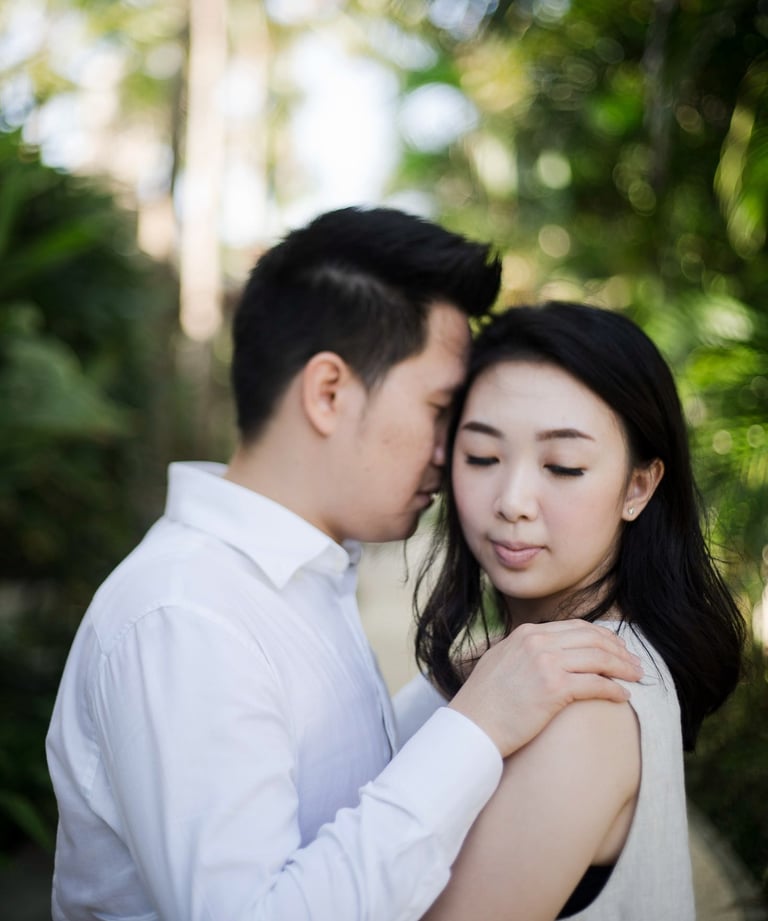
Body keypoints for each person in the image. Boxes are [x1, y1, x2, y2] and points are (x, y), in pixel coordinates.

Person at [46, 209, 642, 921]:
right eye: (440, 408)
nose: (450, 453)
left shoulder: (293, 580)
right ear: (329, 392)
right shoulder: (187, 616)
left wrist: (450, 697)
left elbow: (324, 806)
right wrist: (478, 726)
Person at [415, 301, 746, 921]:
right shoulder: (506, 668)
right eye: (483, 457)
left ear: (638, 487)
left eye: (563, 466)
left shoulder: (587, 702)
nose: (512, 501)